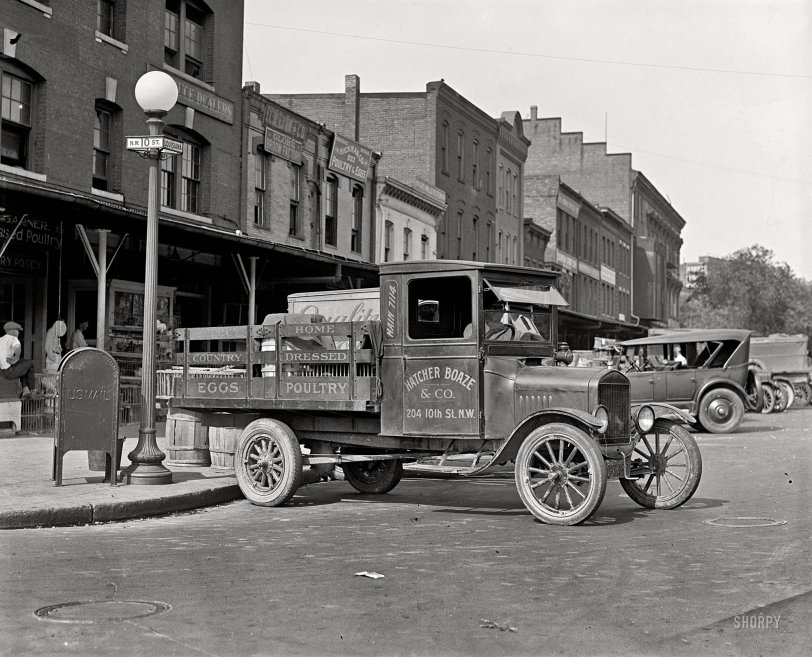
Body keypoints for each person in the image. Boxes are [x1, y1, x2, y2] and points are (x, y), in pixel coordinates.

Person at [0, 321, 35, 399]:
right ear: (12, 331)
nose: (18, 332)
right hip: (9, 372)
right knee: (30, 363)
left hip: (2, 371)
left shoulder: (1, 339)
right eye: (17, 330)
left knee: (22, 363)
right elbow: (17, 347)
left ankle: (25, 389)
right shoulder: (13, 338)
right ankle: (32, 389)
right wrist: (17, 356)